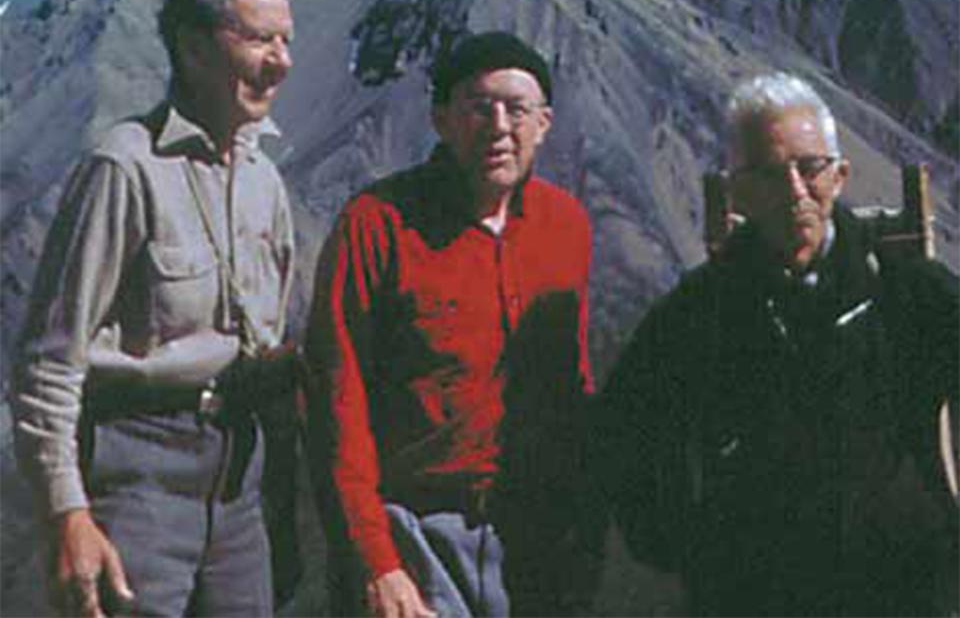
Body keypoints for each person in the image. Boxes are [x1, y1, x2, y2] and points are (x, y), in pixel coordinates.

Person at [598, 72, 959, 618]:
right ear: (739, 191)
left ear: (839, 176)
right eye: (769, 174)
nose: (794, 190)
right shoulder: (700, 311)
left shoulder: (909, 291)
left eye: (810, 167)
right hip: (756, 590)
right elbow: (625, 429)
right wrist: (683, 547)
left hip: (899, 583)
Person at [13, 0, 297, 617]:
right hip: (134, 474)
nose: (281, 62)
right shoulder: (124, 167)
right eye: (259, 39)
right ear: (195, 48)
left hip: (238, 486)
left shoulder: (264, 180)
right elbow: (48, 359)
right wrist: (67, 512)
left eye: (286, 40)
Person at [306, 32, 600, 618]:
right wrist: (377, 562)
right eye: (477, 106)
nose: (498, 126)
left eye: (516, 109)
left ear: (544, 123)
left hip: (535, 532)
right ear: (441, 119)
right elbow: (336, 402)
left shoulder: (565, 225)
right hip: (415, 532)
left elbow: (575, 384)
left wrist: (584, 530)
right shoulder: (377, 226)